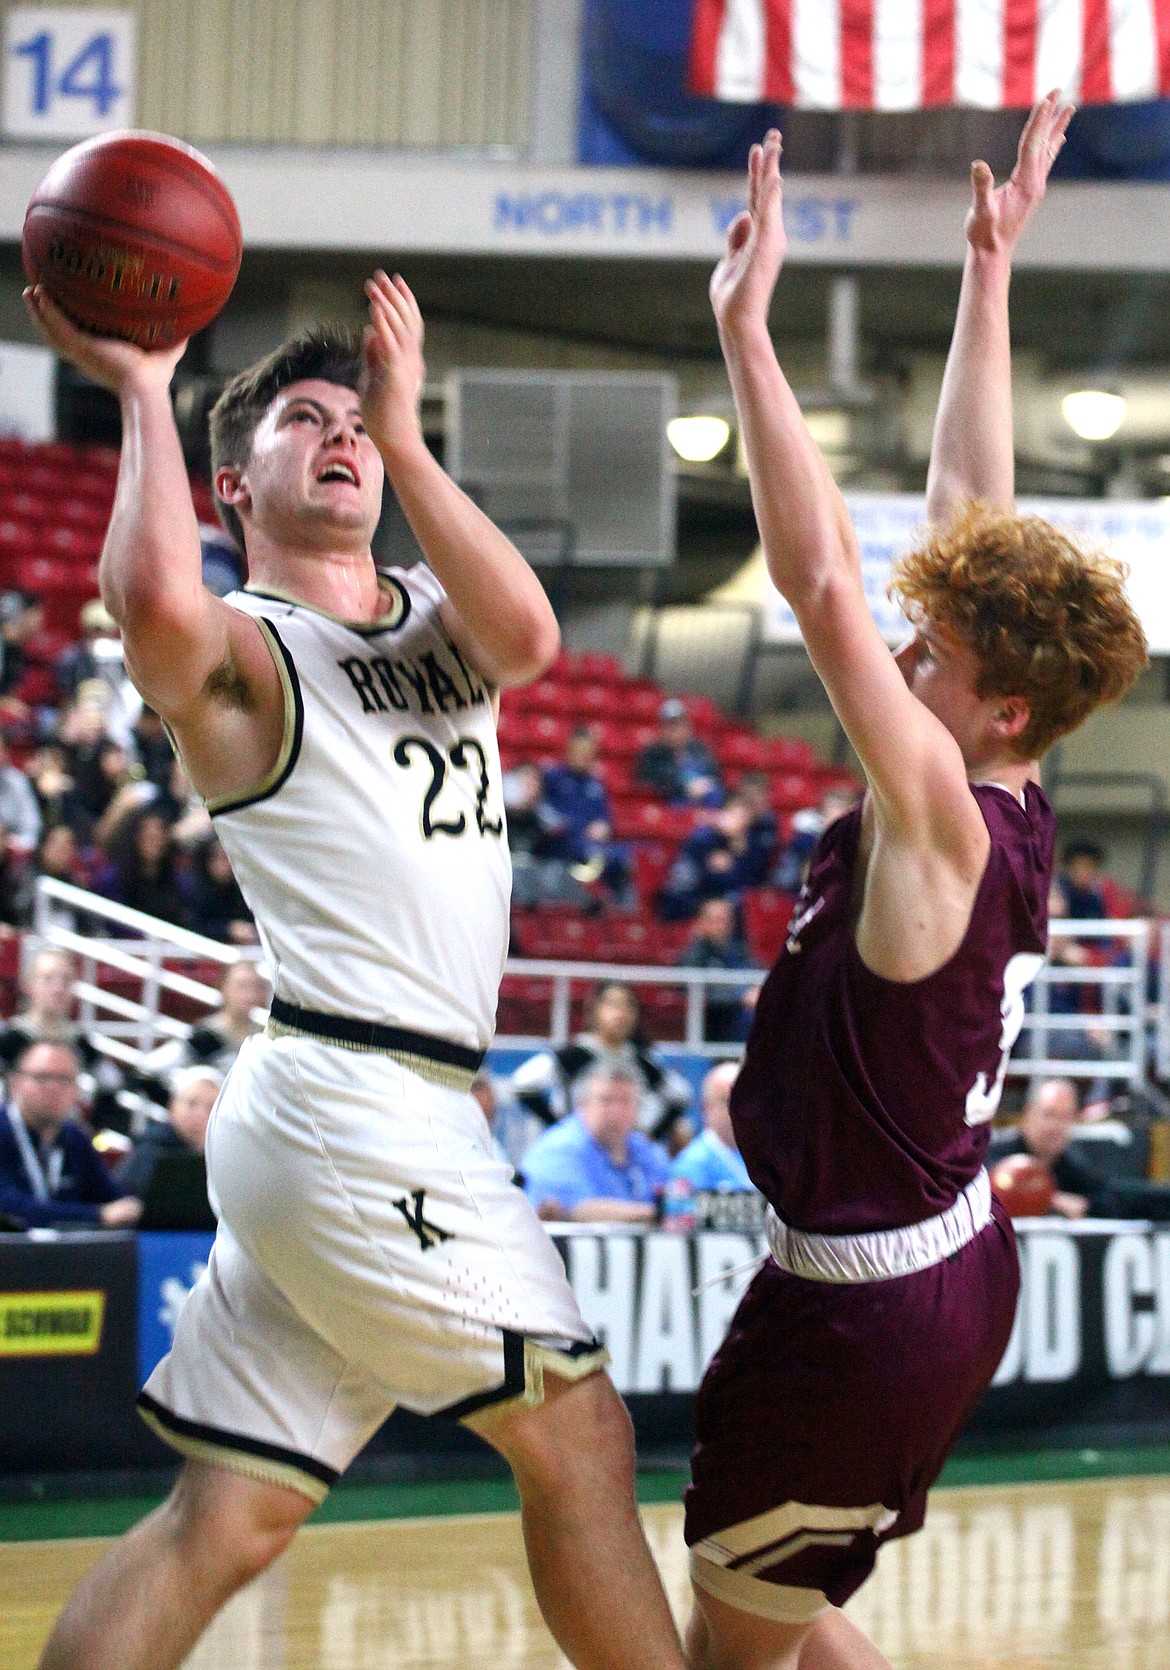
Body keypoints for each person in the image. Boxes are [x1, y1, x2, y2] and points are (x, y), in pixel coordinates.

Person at [25, 269, 685, 1670]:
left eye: (356, 422)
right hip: (349, 1096)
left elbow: (533, 640)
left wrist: (409, 428)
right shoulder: (245, 654)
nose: (341, 435)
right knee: (579, 1429)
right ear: (232, 488)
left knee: (228, 1516)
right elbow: (148, 606)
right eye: (303, 419)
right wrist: (145, 388)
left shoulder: (439, 610)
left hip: (382, 1107)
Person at [682, 95, 1148, 1670]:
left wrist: (747, 336)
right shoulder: (1009, 776)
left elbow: (819, 583)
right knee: (783, 1622)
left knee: (725, 1655)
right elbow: (966, 516)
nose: (899, 650)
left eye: (927, 655)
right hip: (931, 1263)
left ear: (994, 705)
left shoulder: (941, 809)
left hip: (870, 1303)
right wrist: (986, 271)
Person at [512, 979, 693, 1146]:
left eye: (628, 1006)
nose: (620, 1013)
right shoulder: (575, 1054)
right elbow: (523, 1083)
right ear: (594, 1009)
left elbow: (681, 1095)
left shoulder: (642, 1059)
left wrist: (652, 1135)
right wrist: (558, 1127)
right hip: (581, 1150)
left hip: (624, 1153)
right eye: (612, 1004)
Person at [0, 1040, 141, 1230]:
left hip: (65, 1254)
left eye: (64, 1079)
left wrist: (130, 1207)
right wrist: (96, 1215)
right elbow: (9, 1207)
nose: (53, 1088)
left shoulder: (75, 1136)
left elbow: (112, 1196)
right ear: (15, 1083)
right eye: (42, 1077)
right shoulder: (5, 1130)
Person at [989, 1077, 1170, 1221]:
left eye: (1065, 1117)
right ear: (1028, 1114)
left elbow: (1113, 1197)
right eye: (1049, 1114)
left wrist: (1087, 1207)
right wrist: (1047, 1200)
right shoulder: (990, 1157)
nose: (1055, 1127)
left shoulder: (1069, 1167)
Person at [521, 1063, 671, 1223]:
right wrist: (658, 1213)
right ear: (582, 1105)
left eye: (625, 1102)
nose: (615, 1112)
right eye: (605, 1101)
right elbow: (579, 1210)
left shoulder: (644, 1149)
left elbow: (675, 1195)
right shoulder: (557, 1148)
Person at [541, 725, 635, 907]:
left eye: (589, 751)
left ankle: (622, 916)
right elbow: (545, 813)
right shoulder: (553, 778)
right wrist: (570, 827)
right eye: (580, 750)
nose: (584, 756)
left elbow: (605, 817)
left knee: (628, 855)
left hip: (593, 845)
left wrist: (603, 826)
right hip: (565, 844)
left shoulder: (595, 784)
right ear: (570, 750)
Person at [658, 792, 772, 921]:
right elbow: (683, 887)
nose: (738, 821)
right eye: (732, 814)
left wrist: (739, 853)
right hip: (692, 903)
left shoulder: (754, 846)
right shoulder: (702, 841)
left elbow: (752, 884)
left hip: (732, 907)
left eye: (743, 816)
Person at [118, 1065, 222, 1199]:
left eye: (210, 1107)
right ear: (172, 1106)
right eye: (191, 1104)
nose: (200, 1115)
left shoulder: (225, 1153)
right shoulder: (150, 1147)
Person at [677, 897, 760, 1044]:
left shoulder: (740, 951)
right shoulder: (694, 956)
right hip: (718, 1023)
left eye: (726, 919)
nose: (722, 925)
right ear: (701, 923)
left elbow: (757, 973)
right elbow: (701, 992)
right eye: (716, 920)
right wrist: (740, 998)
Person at [670, 1060, 753, 1192]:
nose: (736, 1109)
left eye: (743, 1100)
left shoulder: (761, 1155)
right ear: (706, 1108)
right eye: (726, 1101)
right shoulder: (691, 1165)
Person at [635, 697, 725, 808]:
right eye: (671, 726)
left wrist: (705, 784)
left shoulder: (700, 749)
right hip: (673, 806)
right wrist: (684, 787)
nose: (676, 731)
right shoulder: (652, 754)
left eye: (680, 725)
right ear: (662, 729)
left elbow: (715, 775)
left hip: (707, 803)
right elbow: (647, 780)